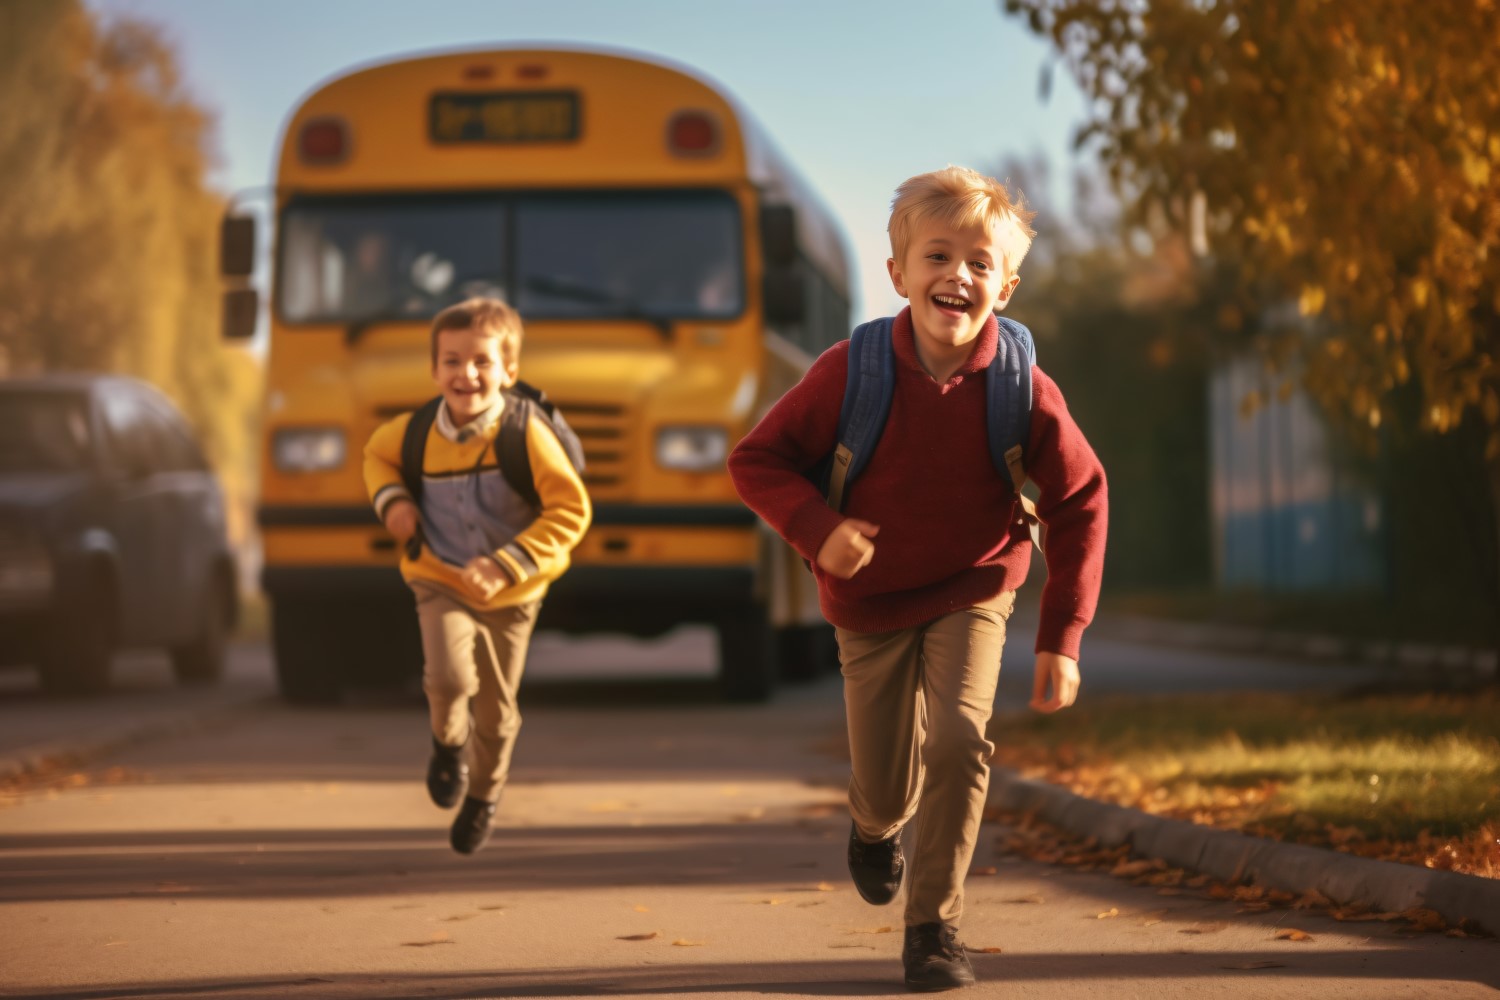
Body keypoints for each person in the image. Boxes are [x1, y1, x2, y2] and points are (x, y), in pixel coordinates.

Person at [728, 166, 1107, 992]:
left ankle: (934, 928)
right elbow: (756, 459)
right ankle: (873, 829)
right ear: (899, 275)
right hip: (866, 603)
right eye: (938, 256)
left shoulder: (1020, 383)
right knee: (886, 779)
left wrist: (1062, 637)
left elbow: (1080, 496)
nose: (958, 275)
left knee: (962, 743)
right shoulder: (850, 370)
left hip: (974, 586)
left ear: (1005, 286)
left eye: (980, 263)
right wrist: (819, 532)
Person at [363, 297, 591, 855]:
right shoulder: (413, 432)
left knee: (496, 707)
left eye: (483, 362)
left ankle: (484, 794)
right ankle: (448, 743)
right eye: (452, 360)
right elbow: (377, 456)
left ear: (509, 372)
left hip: (514, 592)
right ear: (435, 368)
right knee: (447, 681)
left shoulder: (523, 433)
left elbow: (570, 510)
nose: (467, 374)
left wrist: (505, 563)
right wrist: (393, 503)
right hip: (437, 575)